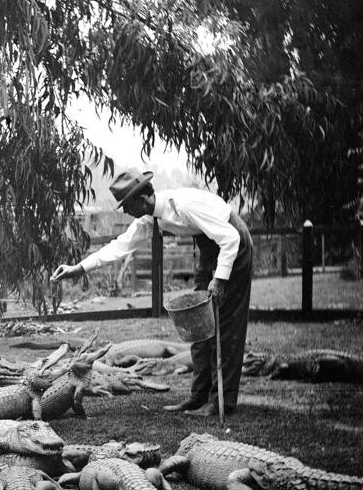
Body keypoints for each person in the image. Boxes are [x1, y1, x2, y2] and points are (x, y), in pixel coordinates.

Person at [52, 168, 254, 416]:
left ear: (143, 198)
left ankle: (222, 401)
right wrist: (79, 268)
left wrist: (221, 279)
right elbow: (120, 246)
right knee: (198, 325)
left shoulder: (183, 206)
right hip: (209, 248)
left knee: (226, 328)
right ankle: (198, 396)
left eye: (127, 205)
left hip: (234, 245)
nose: (126, 211)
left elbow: (230, 238)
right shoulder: (150, 218)